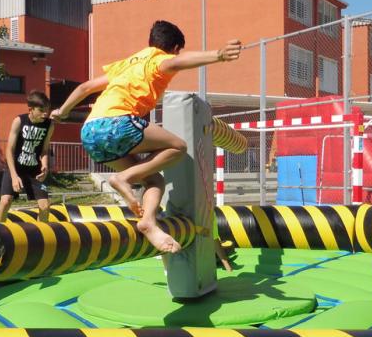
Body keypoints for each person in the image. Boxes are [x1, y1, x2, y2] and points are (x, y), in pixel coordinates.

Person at [51, 20, 242, 253]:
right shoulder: (158, 60)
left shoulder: (125, 65)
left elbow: (84, 88)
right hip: (118, 123)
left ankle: (148, 221)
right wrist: (218, 55)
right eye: (177, 50)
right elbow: (178, 62)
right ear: (174, 47)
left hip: (90, 133)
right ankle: (124, 178)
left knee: (154, 180)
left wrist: (63, 111)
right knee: (178, 147)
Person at [0, 91, 55, 223]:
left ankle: (42, 236)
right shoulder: (19, 121)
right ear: (31, 109)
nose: (45, 113)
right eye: (41, 110)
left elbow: (44, 150)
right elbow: (9, 150)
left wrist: (45, 165)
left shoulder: (49, 125)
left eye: (47, 110)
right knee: (6, 201)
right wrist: (14, 176)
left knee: (45, 206)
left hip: (34, 170)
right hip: (15, 168)